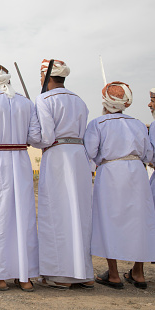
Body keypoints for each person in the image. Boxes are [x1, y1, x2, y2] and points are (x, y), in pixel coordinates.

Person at [30, 60, 94, 289]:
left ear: (46, 78)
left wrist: (31, 136)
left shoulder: (44, 99)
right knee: (80, 213)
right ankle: (84, 273)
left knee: (57, 212)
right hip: (79, 156)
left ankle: (61, 274)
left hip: (57, 155)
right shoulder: (79, 100)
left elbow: (45, 137)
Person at [85, 81, 155, 290]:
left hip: (110, 173)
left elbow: (89, 152)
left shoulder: (98, 124)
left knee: (109, 220)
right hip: (137, 174)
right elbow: (149, 154)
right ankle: (138, 272)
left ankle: (114, 274)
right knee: (139, 220)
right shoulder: (138, 123)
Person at [0, 64, 41, 292]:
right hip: (21, 160)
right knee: (23, 217)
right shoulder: (27, 103)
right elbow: (35, 137)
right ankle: (25, 277)